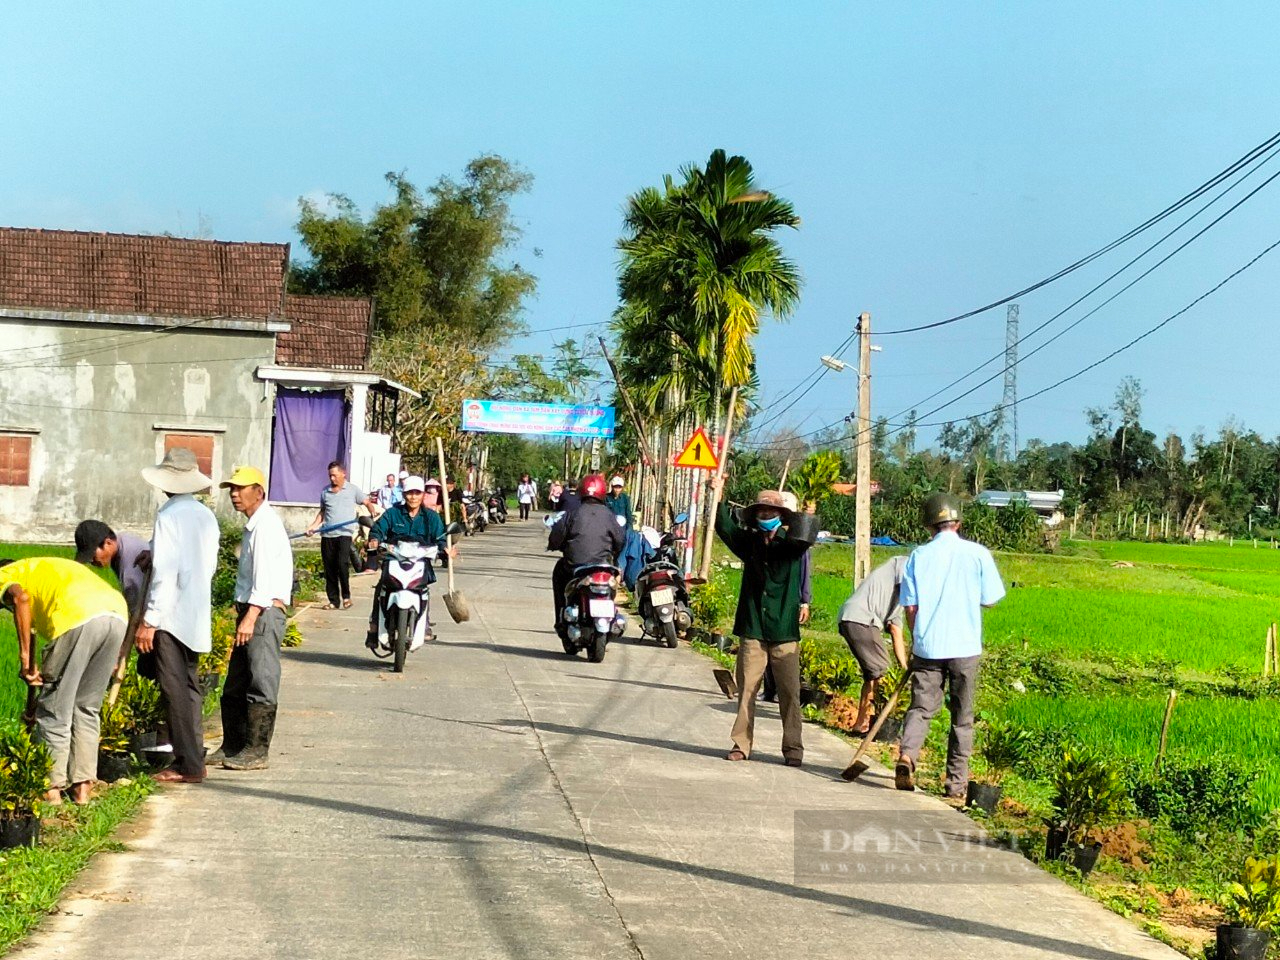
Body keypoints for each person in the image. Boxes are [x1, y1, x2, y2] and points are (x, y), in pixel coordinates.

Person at [896, 493, 1006, 797]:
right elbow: (991, 599)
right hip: (965, 647)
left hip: (928, 647)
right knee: (962, 718)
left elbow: (910, 608)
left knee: (920, 708)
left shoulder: (918, 556)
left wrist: (918, 639)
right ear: (957, 523)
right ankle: (955, 786)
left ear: (929, 525)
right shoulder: (978, 553)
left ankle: (907, 756)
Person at [0, 557, 127, 804]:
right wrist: (32, 668)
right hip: (116, 614)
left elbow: (20, 599)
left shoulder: (5, 575)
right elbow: (31, 624)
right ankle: (82, 789)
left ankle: (51, 789)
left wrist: (25, 658)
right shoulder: (41, 569)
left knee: (55, 708)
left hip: (78, 616)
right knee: (86, 707)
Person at [129, 448, 220, 783]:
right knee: (190, 686)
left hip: (170, 616)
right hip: (195, 614)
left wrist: (149, 622)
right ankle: (194, 756)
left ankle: (188, 765)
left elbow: (166, 572)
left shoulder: (168, 515)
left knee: (173, 688)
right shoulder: (204, 515)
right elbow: (204, 566)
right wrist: (153, 553)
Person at [713, 485, 814, 767]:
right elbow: (725, 528)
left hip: (783, 630)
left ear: (781, 516)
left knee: (790, 693)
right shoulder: (750, 543)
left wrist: (802, 515)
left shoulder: (792, 545)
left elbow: (808, 533)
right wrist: (719, 493)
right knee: (747, 690)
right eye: (761, 512)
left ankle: (793, 748)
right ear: (755, 516)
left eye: (771, 512)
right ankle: (741, 744)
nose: (765, 516)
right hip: (754, 626)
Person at [218, 465, 293, 771]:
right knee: (236, 680)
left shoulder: (265, 527)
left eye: (241, 488)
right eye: (232, 489)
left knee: (260, 679)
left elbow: (264, 580)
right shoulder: (254, 525)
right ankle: (232, 745)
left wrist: (250, 617)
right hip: (251, 611)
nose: (235, 494)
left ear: (259, 492)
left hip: (262, 613)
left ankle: (256, 750)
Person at [365, 476, 454, 650]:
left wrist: (446, 549)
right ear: (403, 494)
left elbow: (441, 538)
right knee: (382, 587)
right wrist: (374, 540)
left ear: (422, 495)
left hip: (420, 562)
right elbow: (378, 529)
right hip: (394, 558)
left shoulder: (431, 517)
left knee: (424, 590)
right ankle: (374, 628)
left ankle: (425, 622)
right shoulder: (392, 513)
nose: (413, 497)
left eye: (417, 493)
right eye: (409, 493)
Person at [838, 555, 909, 734]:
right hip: (862, 620)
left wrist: (904, 666)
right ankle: (876, 725)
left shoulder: (897, 601)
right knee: (882, 675)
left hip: (855, 620)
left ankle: (860, 724)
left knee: (874, 675)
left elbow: (895, 631)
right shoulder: (903, 564)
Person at [547, 474, 625, 634]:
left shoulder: (573, 514)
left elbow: (557, 536)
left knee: (558, 573)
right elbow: (620, 539)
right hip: (604, 566)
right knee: (612, 584)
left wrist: (554, 545)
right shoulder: (609, 515)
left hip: (576, 566)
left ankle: (561, 620)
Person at [762, 492, 811, 703]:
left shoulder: (799, 544)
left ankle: (781, 691)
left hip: (789, 604)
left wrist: (805, 601)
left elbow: (805, 574)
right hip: (768, 604)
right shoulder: (767, 540)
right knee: (764, 648)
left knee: (783, 651)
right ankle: (769, 689)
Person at [306, 461, 366, 610]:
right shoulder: (325, 492)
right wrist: (313, 527)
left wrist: (372, 510)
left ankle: (346, 597)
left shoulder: (352, 489)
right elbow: (323, 512)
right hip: (327, 535)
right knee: (329, 568)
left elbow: (365, 501)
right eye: (330, 476)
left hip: (344, 533)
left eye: (334, 475)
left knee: (342, 564)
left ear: (343, 474)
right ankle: (333, 600)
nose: (332, 479)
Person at [73, 519, 151, 618]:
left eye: (92, 555)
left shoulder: (130, 561)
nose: (91, 561)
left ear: (108, 543)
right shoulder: (122, 540)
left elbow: (137, 609)